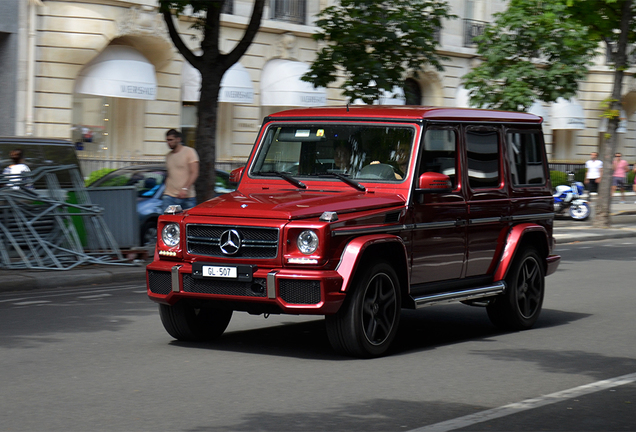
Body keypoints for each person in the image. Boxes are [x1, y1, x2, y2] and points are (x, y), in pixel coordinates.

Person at [162, 129, 199, 211]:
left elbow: (194, 172)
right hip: (170, 196)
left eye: (171, 140)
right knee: (168, 221)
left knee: (187, 222)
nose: (168, 142)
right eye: (167, 140)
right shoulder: (168, 156)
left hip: (187, 197)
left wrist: (185, 188)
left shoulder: (189, 152)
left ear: (178, 139)